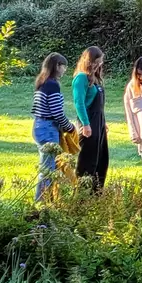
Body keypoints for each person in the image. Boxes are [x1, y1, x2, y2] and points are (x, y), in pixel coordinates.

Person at [30, 53, 72, 202]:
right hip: (48, 128)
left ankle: (48, 200)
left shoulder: (42, 82)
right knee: (48, 169)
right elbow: (57, 112)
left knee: (49, 166)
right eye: (63, 66)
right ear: (57, 66)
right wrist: (69, 127)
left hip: (39, 125)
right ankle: (41, 202)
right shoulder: (52, 85)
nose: (64, 70)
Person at [70, 46, 110, 190]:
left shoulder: (97, 79)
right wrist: (86, 125)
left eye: (100, 62)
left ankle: (96, 194)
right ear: (89, 61)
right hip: (88, 124)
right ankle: (82, 195)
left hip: (98, 123)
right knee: (88, 161)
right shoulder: (81, 78)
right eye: (96, 62)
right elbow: (79, 103)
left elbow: (99, 106)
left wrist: (103, 123)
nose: (99, 65)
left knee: (101, 160)